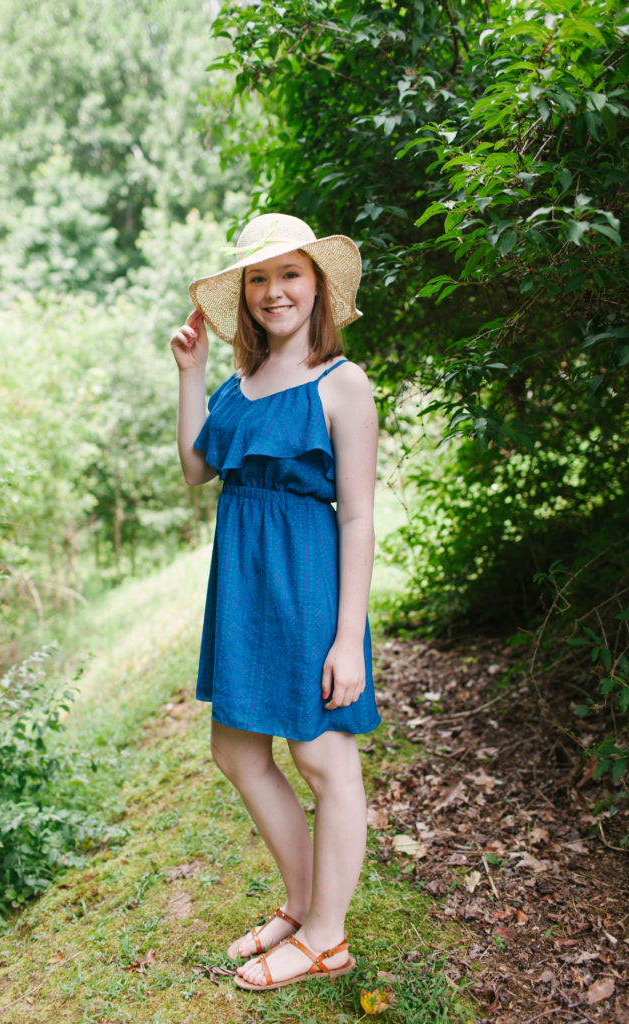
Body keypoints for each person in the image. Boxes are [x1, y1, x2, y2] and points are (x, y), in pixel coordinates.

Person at [170, 212, 380, 991]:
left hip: (304, 588)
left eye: (289, 273)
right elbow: (198, 472)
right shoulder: (241, 384)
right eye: (257, 278)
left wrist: (346, 639)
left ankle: (328, 936)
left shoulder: (342, 383)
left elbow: (356, 516)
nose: (273, 291)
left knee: (322, 757)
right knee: (235, 749)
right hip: (244, 588)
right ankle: (302, 904)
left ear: (317, 285)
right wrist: (190, 374)